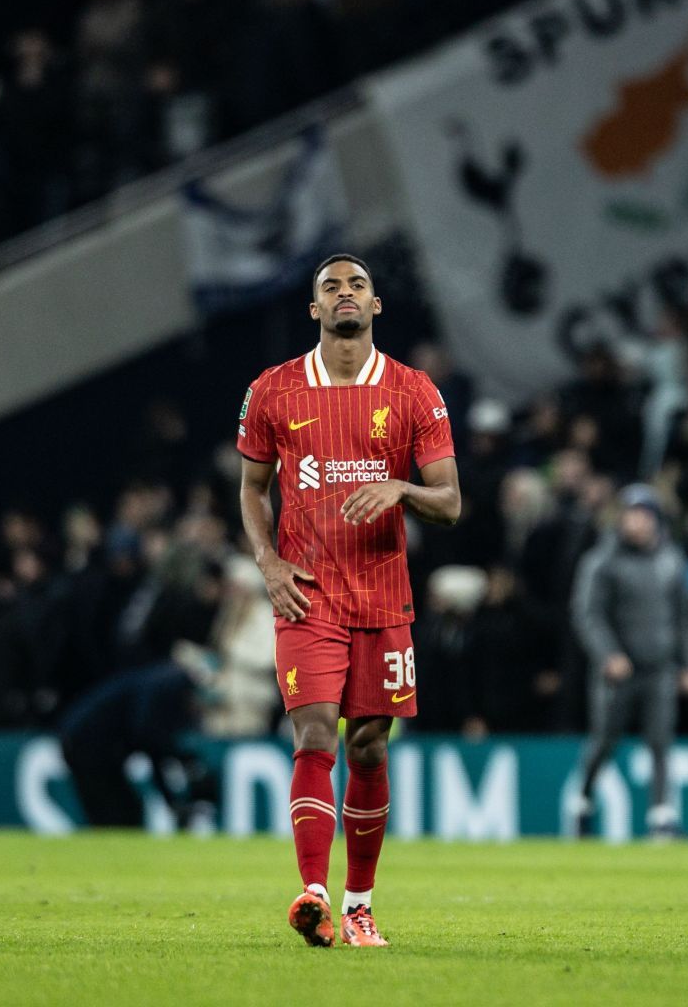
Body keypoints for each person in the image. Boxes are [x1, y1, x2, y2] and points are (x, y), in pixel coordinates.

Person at [238, 254, 459, 948]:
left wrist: (402, 490)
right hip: (307, 594)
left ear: (376, 304)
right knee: (313, 734)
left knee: (368, 747)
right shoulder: (273, 390)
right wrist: (267, 561)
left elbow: (450, 502)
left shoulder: (414, 390)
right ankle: (312, 894)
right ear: (314, 310)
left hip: (384, 596)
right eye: (330, 287)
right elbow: (252, 488)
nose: (344, 295)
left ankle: (359, 903)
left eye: (356, 285)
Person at [565, 485, 688, 840]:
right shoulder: (603, 561)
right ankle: (583, 802)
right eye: (630, 514)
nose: (635, 522)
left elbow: (683, 617)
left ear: (655, 519)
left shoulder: (671, 560)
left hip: (659, 667)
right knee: (605, 741)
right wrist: (608, 653)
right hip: (618, 670)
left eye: (642, 515)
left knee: (660, 741)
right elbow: (588, 614)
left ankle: (661, 816)